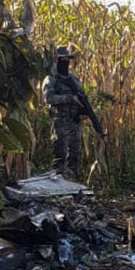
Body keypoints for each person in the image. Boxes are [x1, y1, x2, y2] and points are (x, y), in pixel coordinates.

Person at [42, 45, 94, 178]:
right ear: (56, 60)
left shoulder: (73, 80)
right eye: (62, 59)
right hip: (60, 121)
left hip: (75, 122)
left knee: (75, 156)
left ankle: (73, 186)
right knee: (60, 156)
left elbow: (82, 97)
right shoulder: (51, 79)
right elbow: (49, 98)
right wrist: (69, 98)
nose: (66, 62)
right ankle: (57, 188)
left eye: (67, 59)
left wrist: (84, 112)